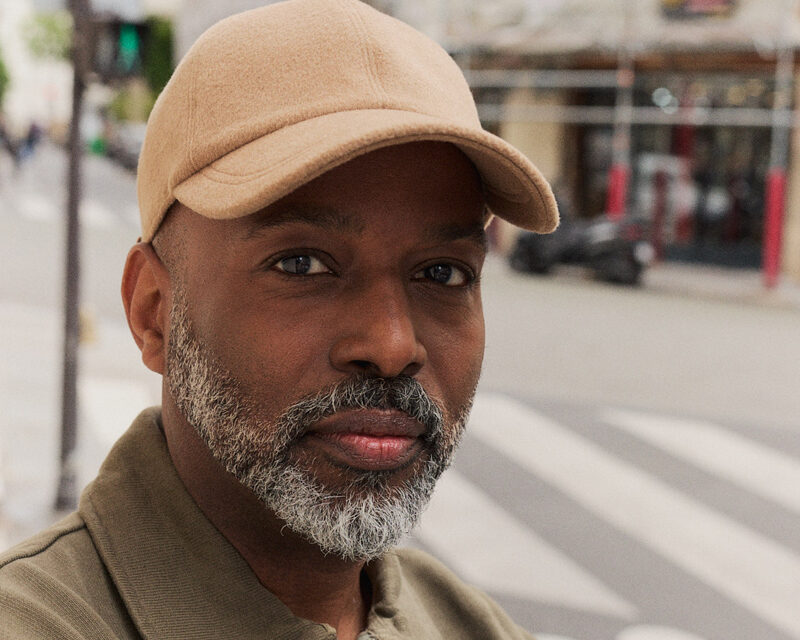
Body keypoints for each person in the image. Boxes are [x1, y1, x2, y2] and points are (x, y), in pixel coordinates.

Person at [0, 1, 558, 638]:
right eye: (301, 265)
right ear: (153, 312)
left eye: (444, 274)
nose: (392, 345)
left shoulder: (469, 625)